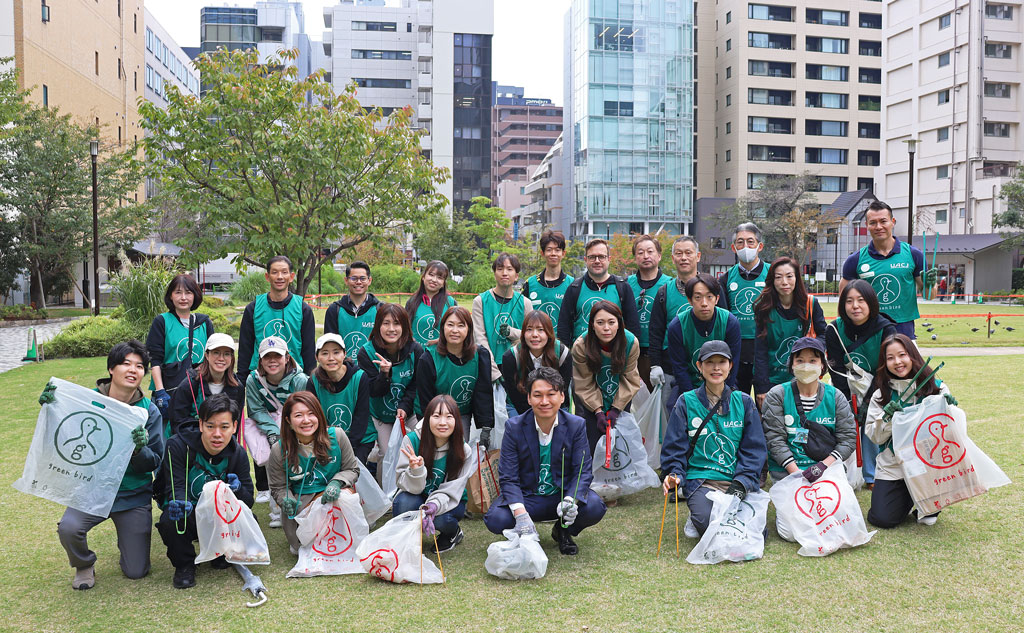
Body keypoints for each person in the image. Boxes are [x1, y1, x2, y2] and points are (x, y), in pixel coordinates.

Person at [52, 340, 165, 589]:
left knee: (136, 571)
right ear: (111, 369)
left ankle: (129, 541)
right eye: (126, 363)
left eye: (139, 366)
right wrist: (52, 406)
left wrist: (139, 450)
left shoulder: (148, 411)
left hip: (132, 495)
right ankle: (84, 564)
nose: (133, 370)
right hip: (92, 490)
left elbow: (155, 461)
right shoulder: (86, 400)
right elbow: (62, 430)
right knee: (69, 529)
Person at [484, 367, 607, 555]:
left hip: (560, 495)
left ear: (562, 397)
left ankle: (563, 531)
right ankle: (523, 533)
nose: (544, 401)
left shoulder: (576, 425)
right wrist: (520, 514)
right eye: (537, 395)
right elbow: (508, 476)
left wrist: (570, 500)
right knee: (496, 519)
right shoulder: (514, 427)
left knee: (594, 507)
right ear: (529, 398)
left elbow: (583, 471)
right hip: (528, 497)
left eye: (551, 394)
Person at [660, 341, 766, 536]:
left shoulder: (744, 401)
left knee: (754, 531)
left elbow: (754, 449)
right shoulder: (685, 402)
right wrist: (675, 474)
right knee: (708, 523)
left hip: (736, 480)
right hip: (702, 481)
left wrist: (742, 483)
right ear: (699, 366)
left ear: (730, 366)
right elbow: (674, 447)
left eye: (722, 362)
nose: (716, 368)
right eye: (709, 362)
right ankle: (696, 514)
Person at [760, 338, 857, 541]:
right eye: (800, 360)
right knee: (789, 533)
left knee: (834, 516)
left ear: (823, 365)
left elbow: (848, 438)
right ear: (791, 365)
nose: (806, 366)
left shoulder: (835, 396)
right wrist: (797, 474)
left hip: (826, 469)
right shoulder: (777, 395)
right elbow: (774, 439)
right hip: (788, 473)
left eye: (813, 360)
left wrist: (821, 467)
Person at [155, 394, 254, 588]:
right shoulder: (177, 445)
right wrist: (180, 503)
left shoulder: (238, 453)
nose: (217, 434)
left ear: (234, 427)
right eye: (210, 426)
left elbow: (248, 500)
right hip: (192, 512)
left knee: (251, 520)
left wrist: (238, 490)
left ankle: (221, 553)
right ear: (200, 424)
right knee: (171, 521)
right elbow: (176, 486)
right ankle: (185, 565)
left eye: (224, 427)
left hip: (220, 515)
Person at [865, 334, 955, 528]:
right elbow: (874, 436)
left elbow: (950, 432)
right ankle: (908, 495)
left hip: (928, 464)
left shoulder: (936, 388)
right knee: (882, 519)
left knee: (928, 518)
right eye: (890, 358)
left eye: (902, 355)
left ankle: (927, 501)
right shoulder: (881, 394)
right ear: (884, 363)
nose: (897, 362)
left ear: (913, 355)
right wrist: (886, 418)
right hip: (893, 465)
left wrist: (951, 410)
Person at [267, 392, 360, 555]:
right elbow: (278, 486)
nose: (306, 420)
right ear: (288, 420)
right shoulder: (279, 449)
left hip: (335, 496)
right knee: (303, 549)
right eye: (298, 415)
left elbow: (352, 469)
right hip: (302, 502)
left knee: (344, 497)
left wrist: (337, 482)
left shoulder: (337, 436)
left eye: (311, 414)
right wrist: (285, 499)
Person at [825, 280, 897, 490]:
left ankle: (872, 474)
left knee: (873, 419)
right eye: (849, 301)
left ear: (871, 303)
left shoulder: (886, 329)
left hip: (879, 384)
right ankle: (841, 469)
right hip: (846, 385)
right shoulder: (834, 329)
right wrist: (846, 400)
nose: (855, 306)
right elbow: (835, 368)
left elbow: (885, 369)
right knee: (843, 421)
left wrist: (868, 401)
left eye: (861, 300)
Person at [393, 394, 476, 553]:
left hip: (448, 500)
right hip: (416, 495)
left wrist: (433, 505)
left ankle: (453, 533)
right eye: (436, 416)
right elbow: (403, 483)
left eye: (449, 417)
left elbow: (453, 489)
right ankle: (407, 539)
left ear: (456, 421)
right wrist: (416, 471)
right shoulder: (412, 441)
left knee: (442, 519)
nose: (442, 422)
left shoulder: (463, 450)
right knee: (403, 503)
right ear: (427, 419)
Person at [244, 336, 308, 527]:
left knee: (299, 465)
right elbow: (255, 409)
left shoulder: (300, 380)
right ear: (260, 359)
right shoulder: (253, 380)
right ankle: (277, 510)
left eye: (277, 356)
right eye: (267, 356)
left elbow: (304, 407)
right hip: (268, 428)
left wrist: (289, 431)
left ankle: (302, 506)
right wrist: (274, 433)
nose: (272, 361)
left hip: (296, 426)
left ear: (287, 357)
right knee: (273, 464)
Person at [840, 200, 928, 338]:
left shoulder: (914, 255)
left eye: (883, 221)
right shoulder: (855, 260)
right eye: (873, 223)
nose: (878, 227)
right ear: (866, 225)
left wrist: (930, 284)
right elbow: (843, 299)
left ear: (893, 222)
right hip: (868, 333)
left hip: (904, 332)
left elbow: (929, 295)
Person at [753, 257, 827, 408]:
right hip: (772, 380)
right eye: (778, 277)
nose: (784, 282)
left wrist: (811, 347)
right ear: (772, 281)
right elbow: (760, 351)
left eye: (789, 276)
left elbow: (824, 335)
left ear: (796, 278)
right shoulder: (764, 307)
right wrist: (761, 387)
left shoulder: (810, 304)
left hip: (804, 378)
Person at [415, 306, 495, 447]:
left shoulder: (480, 355)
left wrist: (486, 426)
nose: (455, 330)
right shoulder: (428, 359)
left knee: (460, 451)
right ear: (442, 328)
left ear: (469, 329)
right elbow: (425, 398)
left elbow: (483, 392)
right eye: (450, 325)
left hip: (462, 413)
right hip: (434, 414)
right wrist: (430, 424)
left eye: (461, 325)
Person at [571, 300, 643, 453]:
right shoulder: (581, 346)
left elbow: (630, 379)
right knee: (591, 445)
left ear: (619, 324)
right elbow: (584, 382)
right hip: (590, 401)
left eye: (611, 322)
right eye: (600, 323)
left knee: (620, 448)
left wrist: (616, 409)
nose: (606, 328)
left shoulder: (631, 343)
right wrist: (598, 411)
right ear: (592, 325)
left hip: (621, 397)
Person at [357, 303, 424, 463]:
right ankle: (380, 476)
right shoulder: (366, 352)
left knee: (418, 448)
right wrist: (384, 374)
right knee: (387, 454)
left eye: (396, 323)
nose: (391, 329)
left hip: (409, 412)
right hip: (380, 415)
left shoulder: (415, 350)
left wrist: (405, 406)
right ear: (378, 326)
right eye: (386, 323)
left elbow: (417, 384)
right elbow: (373, 391)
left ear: (404, 326)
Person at [145, 274, 214, 419]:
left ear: (195, 295)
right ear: (171, 296)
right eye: (178, 292)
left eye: (188, 293)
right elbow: (155, 360)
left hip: (199, 391)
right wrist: (160, 392)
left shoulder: (204, 323)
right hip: (170, 390)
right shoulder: (162, 322)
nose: (183, 297)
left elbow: (212, 358)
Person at [665, 274, 742, 403]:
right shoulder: (677, 326)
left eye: (709, 297)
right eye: (698, 297)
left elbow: (732, 364)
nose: (704, 303)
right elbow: (679, 368)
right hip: (689, 386)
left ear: (717, 299)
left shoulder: (730, 322)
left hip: (723, 385)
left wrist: (720, 395)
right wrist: (694, 400)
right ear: (690, 300)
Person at [238, 255, 316, 380]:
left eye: (284, 272)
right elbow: (245, 349)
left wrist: (310, 381)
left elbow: (309, 350)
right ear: (267, 277)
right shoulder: (253, 309)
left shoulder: (303, 309)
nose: (280, 277)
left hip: (294, 377)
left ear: (291, 276)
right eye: (274, 272)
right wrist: (242, 380)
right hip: (261, 378)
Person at [556, 238, 641, 348]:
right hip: (582, 353)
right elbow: (564, 327)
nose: (597, 261)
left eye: (601, 256)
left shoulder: (623, 287)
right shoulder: (574, 288)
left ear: (609, 259)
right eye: (592, 257)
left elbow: (633, 326)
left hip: (615, 353)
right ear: (585, 259)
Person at [716, 223, 769, 396]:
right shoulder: (725, 279)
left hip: (765, 349)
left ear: (760, 246)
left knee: (767, 402)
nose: (745, 246)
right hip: (736, 350)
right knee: (736, 401)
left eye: (750, 241)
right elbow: (723, 317)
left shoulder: (772, 274)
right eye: (740, 242)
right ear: (733, 248)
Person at [305, 333, 373, 464]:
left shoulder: (360, 377)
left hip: (359, 440)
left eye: (336, 352)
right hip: (327, 441)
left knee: (353, 472)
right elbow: (314, 416)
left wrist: (347, 449)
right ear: (317, 357)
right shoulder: (313, 381)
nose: (331, 358)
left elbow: (361, 417)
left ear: (344, 354)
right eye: (325, 353)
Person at [649, 235, 702, 395]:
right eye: (679, 254)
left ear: (698, 256)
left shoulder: (712, 289)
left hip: (705, 368)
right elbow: (656, 332)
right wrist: (655, 364)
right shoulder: (664, 292)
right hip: (670, 369)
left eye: (688, 253)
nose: (683, 258)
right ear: (673, 258)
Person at [471, 253, 533, 388]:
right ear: (494, 274)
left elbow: (531, 335)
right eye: (500, 269)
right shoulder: (480, 301)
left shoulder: (525, 303)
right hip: (487, 366)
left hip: (518, 366)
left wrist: (511, 332)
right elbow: (479, 338)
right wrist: (493, 371)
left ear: (516, 276)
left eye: (509, 269)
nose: (504, 273)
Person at [167, 333, 245, 436]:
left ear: (232, 358)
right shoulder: (189, 385)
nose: (221, 358)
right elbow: (178, 423)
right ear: (207, 355)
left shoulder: (238, 388)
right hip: (190, 441)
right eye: (216, 353)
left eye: (226, 354)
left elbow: (234, 427)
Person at [500, 310, 572, 416]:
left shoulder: (563, 354)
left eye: (540, 330)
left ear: (549, 333)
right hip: (520, 406)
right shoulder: (511, 357)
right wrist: (532, 419)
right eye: (529, 329)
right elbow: (513, 394)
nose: (534, 335)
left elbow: (563, 390)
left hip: (555, 405)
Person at [626, 234, 672, 390]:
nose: (646, 256)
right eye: (640, 252)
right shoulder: (626, 284)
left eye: (650, 251)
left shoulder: (669, 285)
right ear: (635, 257)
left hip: (661, 354)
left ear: (659, 256)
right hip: (632, 354)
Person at [324, 261, 381, 361]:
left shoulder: (380, 309)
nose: (358, 282)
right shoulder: (334, 310)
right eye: (354, 278)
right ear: (346, 280)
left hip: (372, 368)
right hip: (342, 368)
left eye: (363, 278)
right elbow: (330, 346)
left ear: (369, 280)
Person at [521, 230, 574, 333]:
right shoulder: (530, 284)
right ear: (542, 253)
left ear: (563, 253)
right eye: (549, 250)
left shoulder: (572, 284)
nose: (553, 254)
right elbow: (522, 316)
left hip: (563, 341)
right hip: (535, 340)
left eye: (557, 250)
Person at [405, 260, 458, 347]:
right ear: (423, 277)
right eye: (431, 275)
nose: (434, 280)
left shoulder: (451, 303)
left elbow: (457, 330)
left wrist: (441, 341)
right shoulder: (412, 302)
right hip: (417, 353)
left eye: (440, 277)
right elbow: (405, 330)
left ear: (443, 283)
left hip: (442, 352)